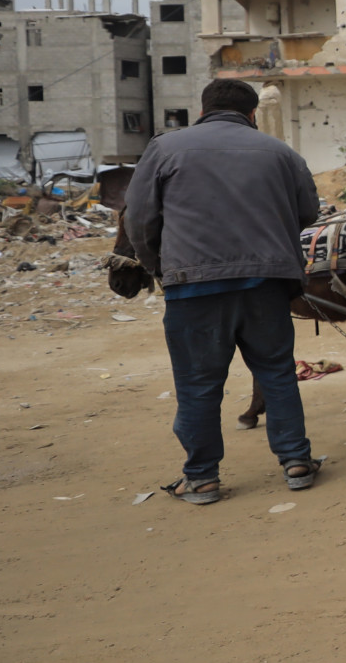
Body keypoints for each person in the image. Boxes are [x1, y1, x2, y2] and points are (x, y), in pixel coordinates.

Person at [125, 78, 324, 504]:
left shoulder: (165, 148)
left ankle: (202, 478)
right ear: (252, 114)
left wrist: (159, 266)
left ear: (202, 110)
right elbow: (309, 211)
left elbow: (139, 220)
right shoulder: (282, 153)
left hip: (193, 290)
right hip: (266, 286)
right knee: (277, 373)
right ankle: (296, 461)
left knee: (198, 384)